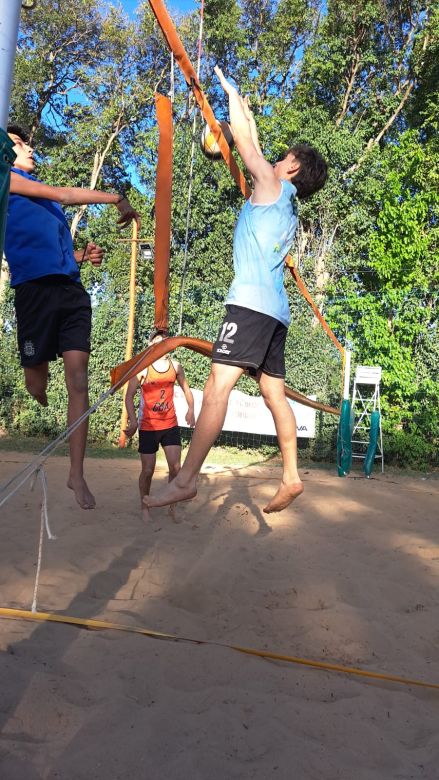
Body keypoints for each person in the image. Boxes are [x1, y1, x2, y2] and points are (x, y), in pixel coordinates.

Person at [144, 66, 328, 515]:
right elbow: (253, 138)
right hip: (275, 313)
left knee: (216, 388)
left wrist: (228, 93)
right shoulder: (284, 206)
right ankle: (290, 477)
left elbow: (247, 144)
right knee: (273, 395)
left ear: (293, 167)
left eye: (283, 156)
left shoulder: (270, 184)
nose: (276, 158)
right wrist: (240, 110)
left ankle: (186, 479)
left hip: (249, 306)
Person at [4, 124, 141, 510]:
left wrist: (83, 257)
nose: (29, 148)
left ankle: (76, 474)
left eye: (28, 142)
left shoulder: (47, 207)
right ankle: (38, 389)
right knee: (36, 382)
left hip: (71, 292)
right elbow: (65, 193)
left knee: (78, 378)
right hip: (35, 294)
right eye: (18, 144)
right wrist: (116, 197)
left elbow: (54, 249)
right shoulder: (6, 182)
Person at [124, 329, 195, 519]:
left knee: (176, 469)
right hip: (148, 427)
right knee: (147, 471)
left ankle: (172, 507)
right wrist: (132, 421)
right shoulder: (143, 368)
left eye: (165, 340)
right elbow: (129, 396)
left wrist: (191, 410)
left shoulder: (176, 366)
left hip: (170, 424)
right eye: (157, 340)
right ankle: (145, 506)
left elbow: (187, 390)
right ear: (150, 345)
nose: (161, 343)